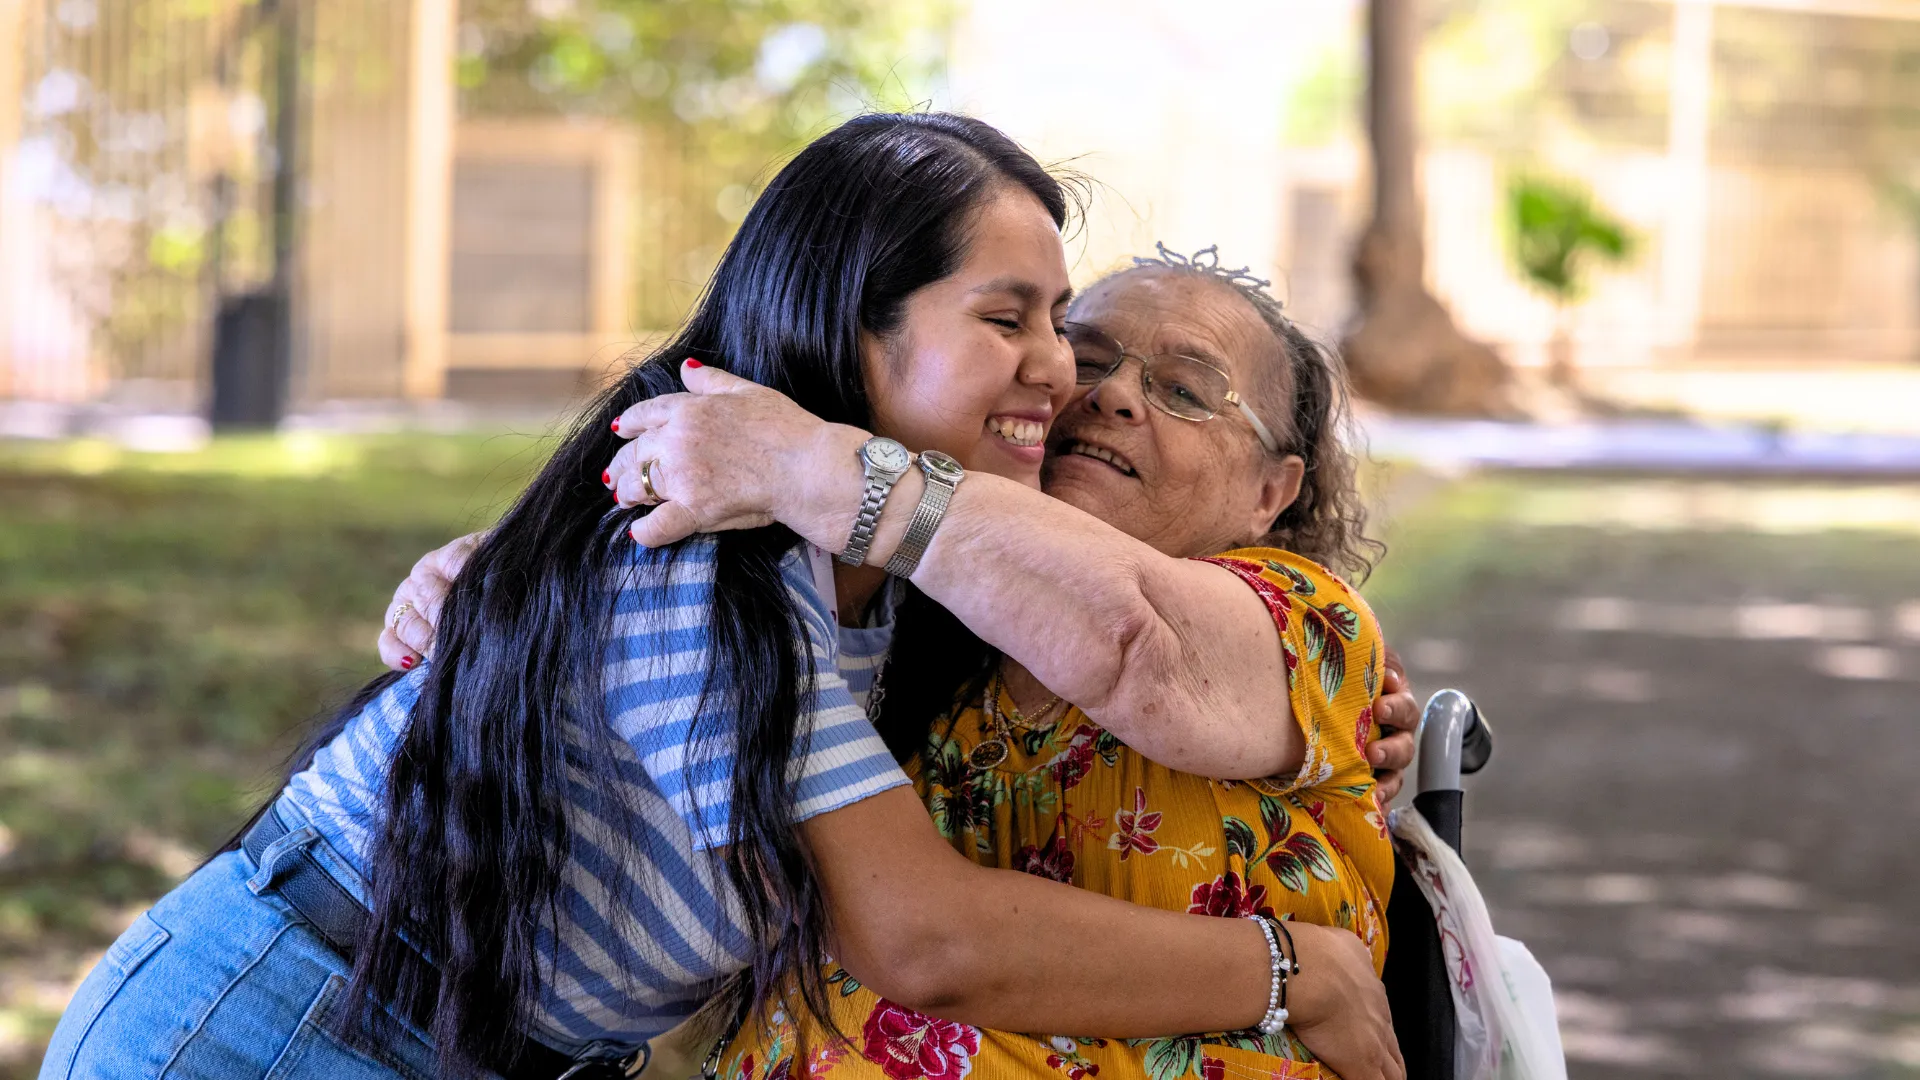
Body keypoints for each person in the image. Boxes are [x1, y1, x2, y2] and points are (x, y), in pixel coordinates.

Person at [40, 114, 1401, 1080]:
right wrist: (1299, 972)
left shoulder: (927, 592)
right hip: (283, 1029)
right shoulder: (699, 540)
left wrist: (1362, 724)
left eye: (1171, 383)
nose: (1071, 378)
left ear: (1282, 484)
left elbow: (1149, 650)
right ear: (849, 319)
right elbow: (922, 931)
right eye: (1023, 324)